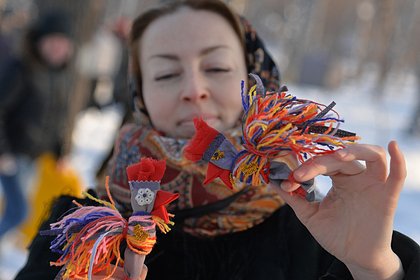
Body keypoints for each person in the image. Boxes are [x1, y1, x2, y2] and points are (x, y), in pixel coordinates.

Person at [16, 1, 420, 279]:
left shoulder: (320, 229)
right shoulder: (77, 232)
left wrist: (376, 268)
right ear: (140, 96)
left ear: (258, 77)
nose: (194, 89)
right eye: (166, 74)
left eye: (217, 66)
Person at [0, 10, 75, 240]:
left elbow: (57, 118)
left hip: (34, 158)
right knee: (19, 212)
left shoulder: (60, 76)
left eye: (62, 43)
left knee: (19, 211)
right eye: (52, 42)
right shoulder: (22, 69)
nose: (57, 49)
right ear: (40, 42)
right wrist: (3, 152)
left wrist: (59, 151)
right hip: (12, 155)